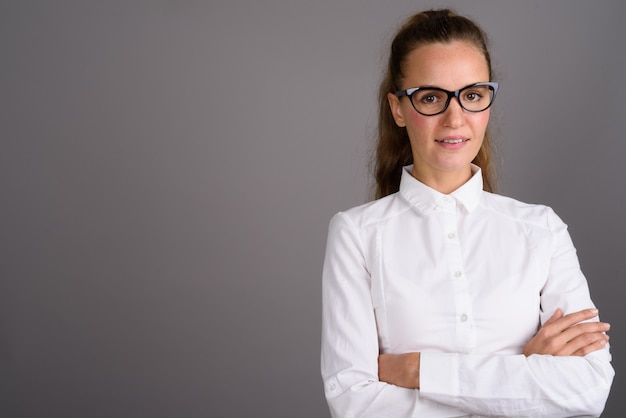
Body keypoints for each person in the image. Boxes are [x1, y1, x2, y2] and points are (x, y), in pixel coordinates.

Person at [320, 9, 614, 417]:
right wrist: (523, 374)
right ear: (399, 108)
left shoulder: (541, 229)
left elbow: (589, 390)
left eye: (472, 95)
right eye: (430, 98)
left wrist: (420, 370)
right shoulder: (356, 234)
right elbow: (354, 402)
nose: (455, 118)